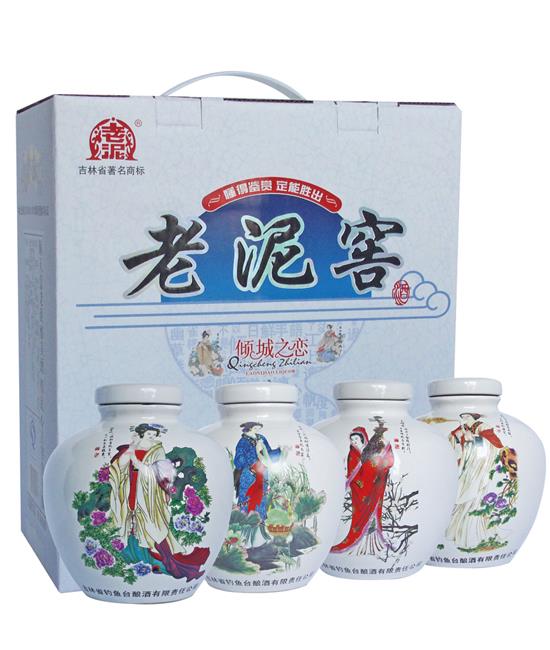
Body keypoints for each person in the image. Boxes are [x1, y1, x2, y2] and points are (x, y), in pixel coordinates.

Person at [109, 423, 209, 580]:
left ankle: (164, 561)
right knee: (131, 520)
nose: (152, 437)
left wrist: (137, 462)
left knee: (152, 523)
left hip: (150, 494)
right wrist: (131, 450)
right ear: (141, 434)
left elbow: (159, 472)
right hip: (130, 486)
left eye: (154, 434)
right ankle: (134, 558)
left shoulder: (157, 450)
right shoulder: (132, 447)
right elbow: (119, 466)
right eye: (149, 434)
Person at [331, 422, 394, 555]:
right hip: (359, 489)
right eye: (352, 439)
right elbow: (352, 472)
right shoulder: (353, 454)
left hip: (373, 487)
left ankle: (373, 541)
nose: (354, 442)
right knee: (359, 515)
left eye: (356, 439)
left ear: (363, 438)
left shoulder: (371, 449)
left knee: (373, 512)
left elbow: (380, 463)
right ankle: (357, 541)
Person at [446, 412, 504, 549]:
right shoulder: (462, 428)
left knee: (475, 497)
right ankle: (458, 530)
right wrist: (457, 438)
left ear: (473, 417)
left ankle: (473, 533)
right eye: (463, 417)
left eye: (466, 416)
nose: (463, 419)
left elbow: (494, 445)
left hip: (479, 468)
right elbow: (453, 442)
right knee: (462, 494)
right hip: (466, 467)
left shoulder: (484, 427)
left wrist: (473, 439)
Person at [233, 422, 286, 520]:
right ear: (250, 428)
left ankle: (261, 519)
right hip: (249, 474)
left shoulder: (261, 438)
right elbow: (239, 460)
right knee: (248, 497)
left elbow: (268, 453)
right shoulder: (243, 442)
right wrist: (256, 455)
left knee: (261, 497)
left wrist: (279, 451)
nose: (257, 430)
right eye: (255, 428)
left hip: (263, 472)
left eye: (258, 428)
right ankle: (245, 519)